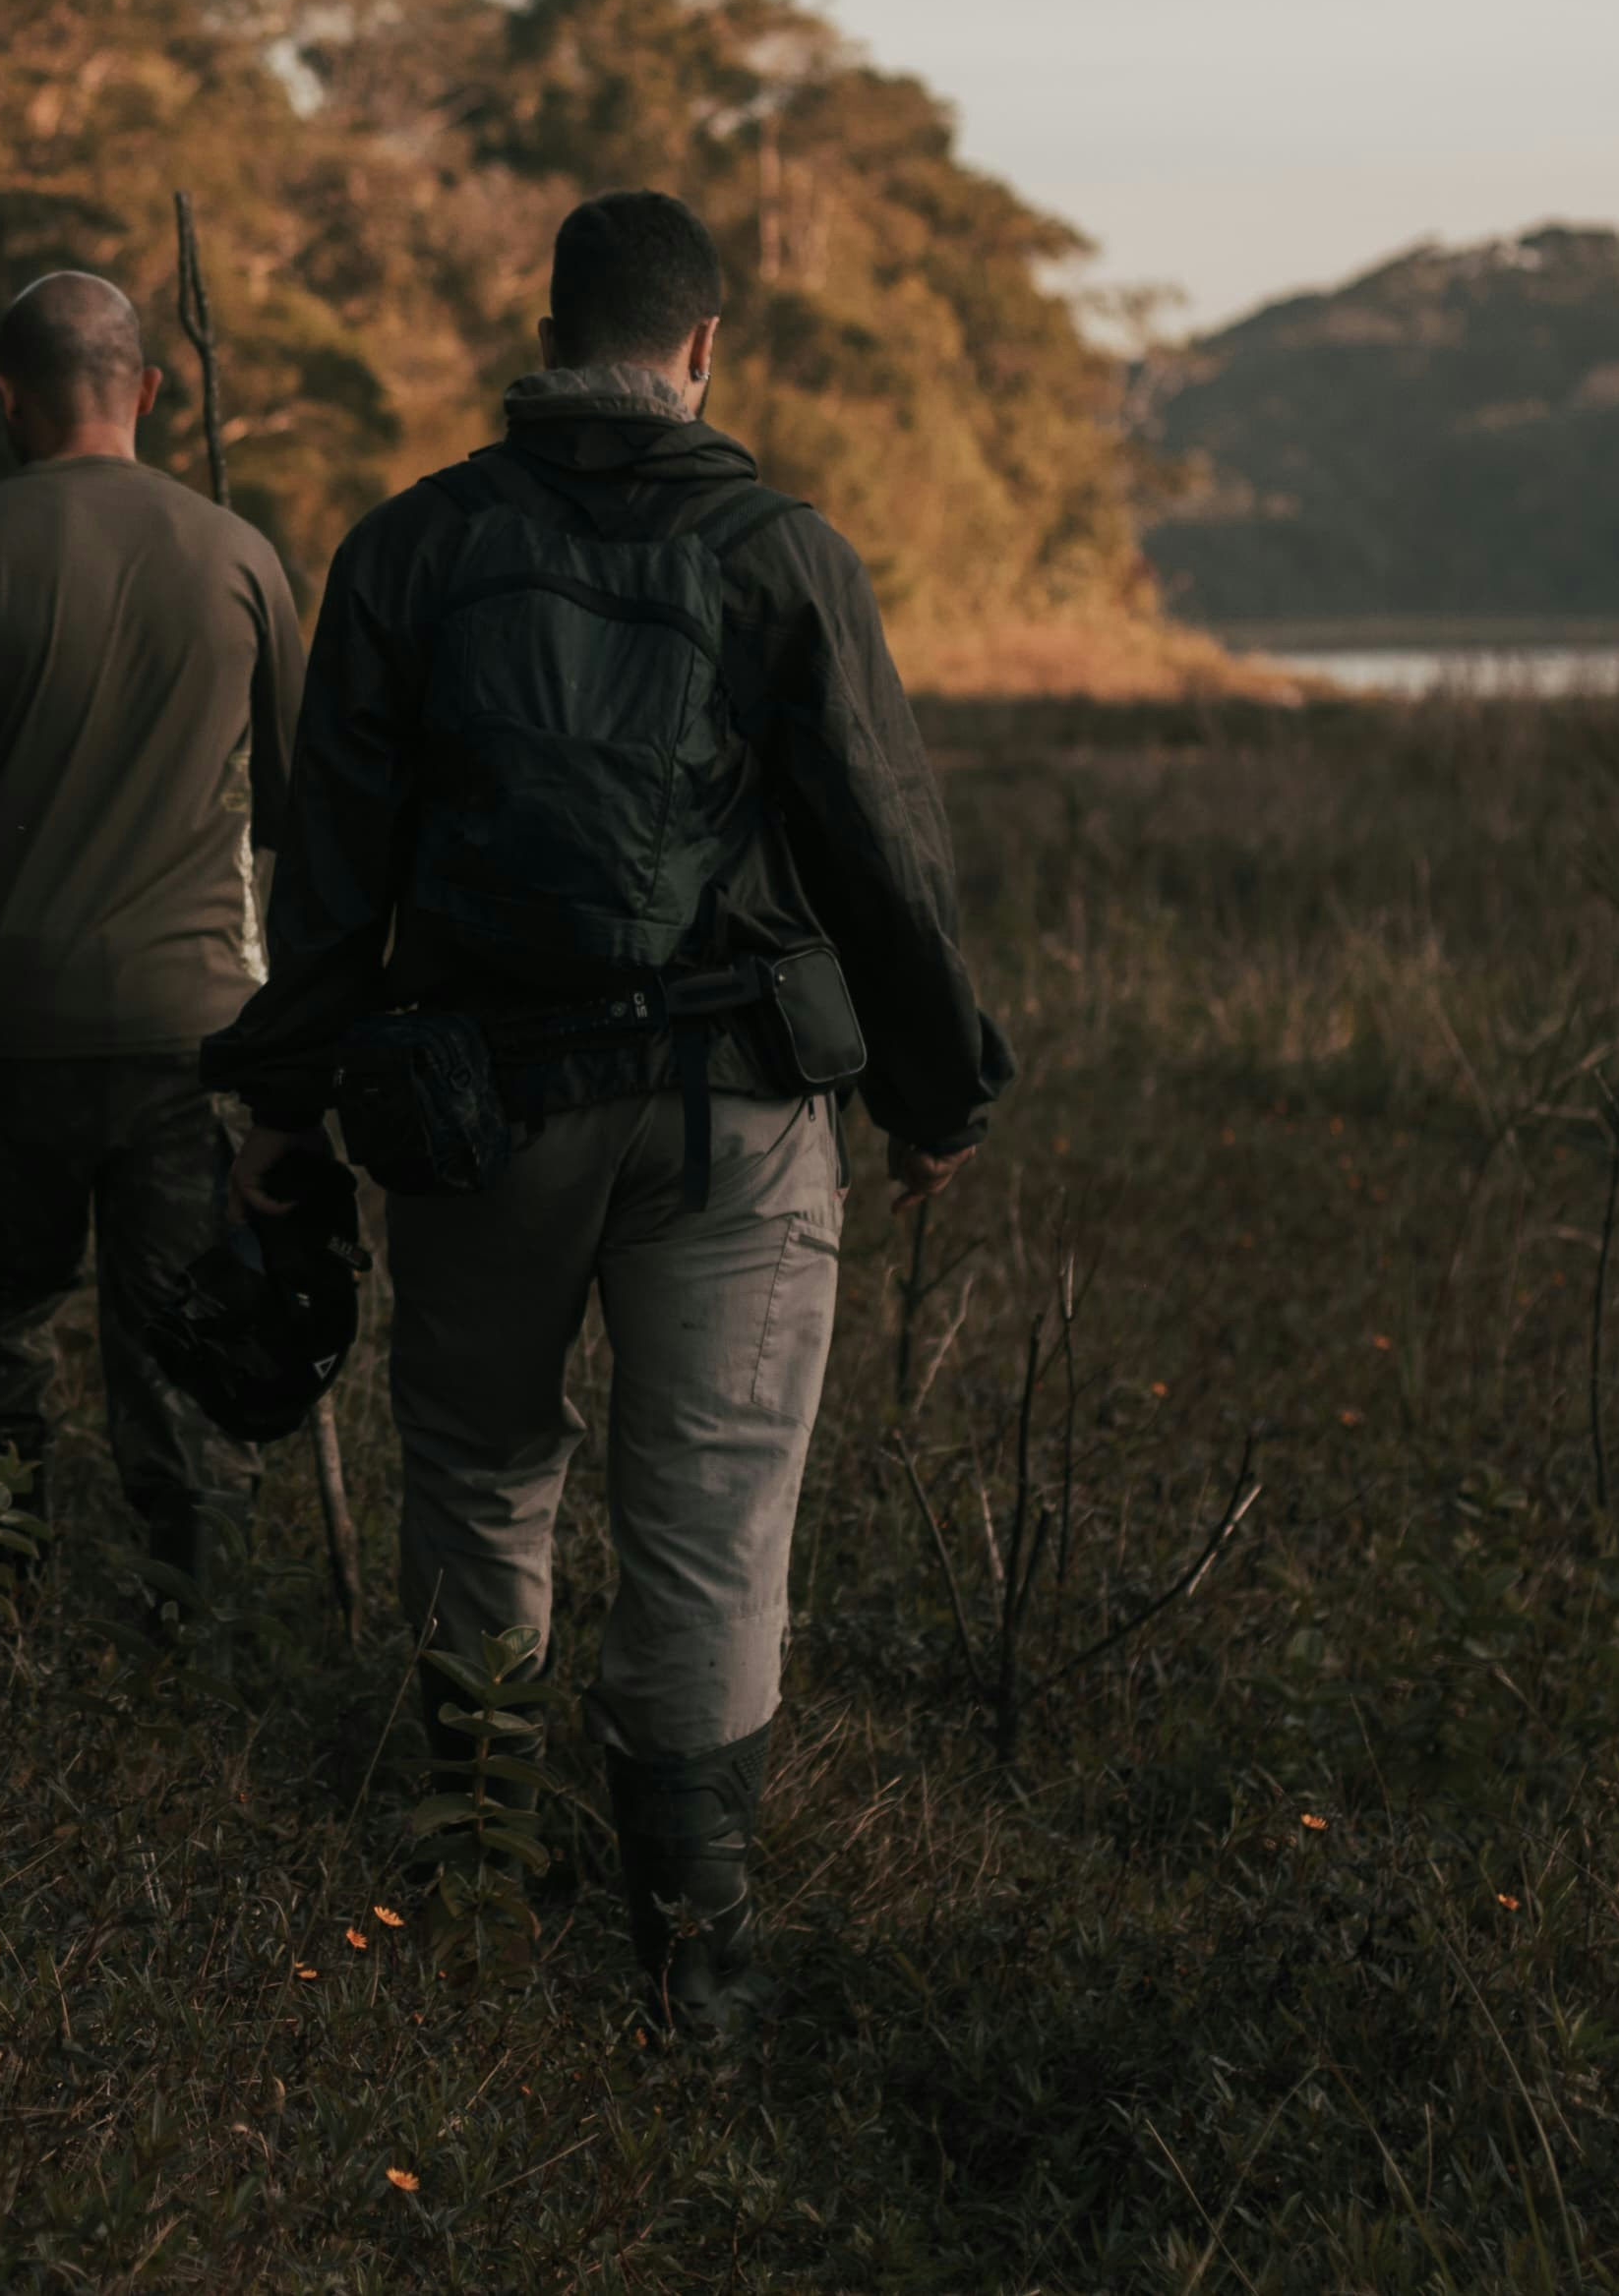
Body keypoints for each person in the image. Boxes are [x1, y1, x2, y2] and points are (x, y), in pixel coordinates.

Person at [201, 190, 1011, 2038]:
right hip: (736, 1110)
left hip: (481, 1104)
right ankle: (694, 1950)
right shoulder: (783, 548)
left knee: (483, 1461)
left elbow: (329, 864)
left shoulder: (405, 549)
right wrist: (936, 1085)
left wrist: (279, 1101)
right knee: (714, 1512)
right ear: (703, 345)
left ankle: (483, 1844)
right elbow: (886, 846)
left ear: (548, 326)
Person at [0, 273, 305, 1592]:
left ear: (8, 399)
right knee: (184, 1352)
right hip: (195, 1040)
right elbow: (304, 825)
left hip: (1, 1027)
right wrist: (298, 1054)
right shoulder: (245, 560)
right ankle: (194, 1641)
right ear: (146, 391)